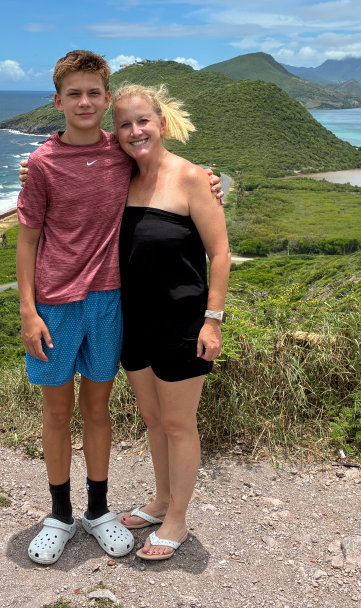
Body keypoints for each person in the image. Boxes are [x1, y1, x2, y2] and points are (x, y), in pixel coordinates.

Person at [15, 51, 222, 566]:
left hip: (131, 308)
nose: (85, 103)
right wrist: (27, 310)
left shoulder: (152, 164)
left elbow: (208, 231)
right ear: (58, 100)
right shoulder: (69, 162)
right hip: (77, 308)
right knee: (92, 414)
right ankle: (67, 514)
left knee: (127, 415)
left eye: (94, 94)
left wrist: (211, 182)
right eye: (74, 94)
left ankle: (124, 512)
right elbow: (31, 230)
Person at [110, 82, 230, 561]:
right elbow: (70, 166)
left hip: (181, 320)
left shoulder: (193, 178)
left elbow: (219, 254)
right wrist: (30, 168)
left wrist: (213, 320)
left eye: (143, 121)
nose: (135, 130)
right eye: (124, 124)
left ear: (161, 122)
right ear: (115, 133)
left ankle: (177, 519)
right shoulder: (121, 176)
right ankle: (161, 501)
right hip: (131, 320)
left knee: (179, 423)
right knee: (152, 418)